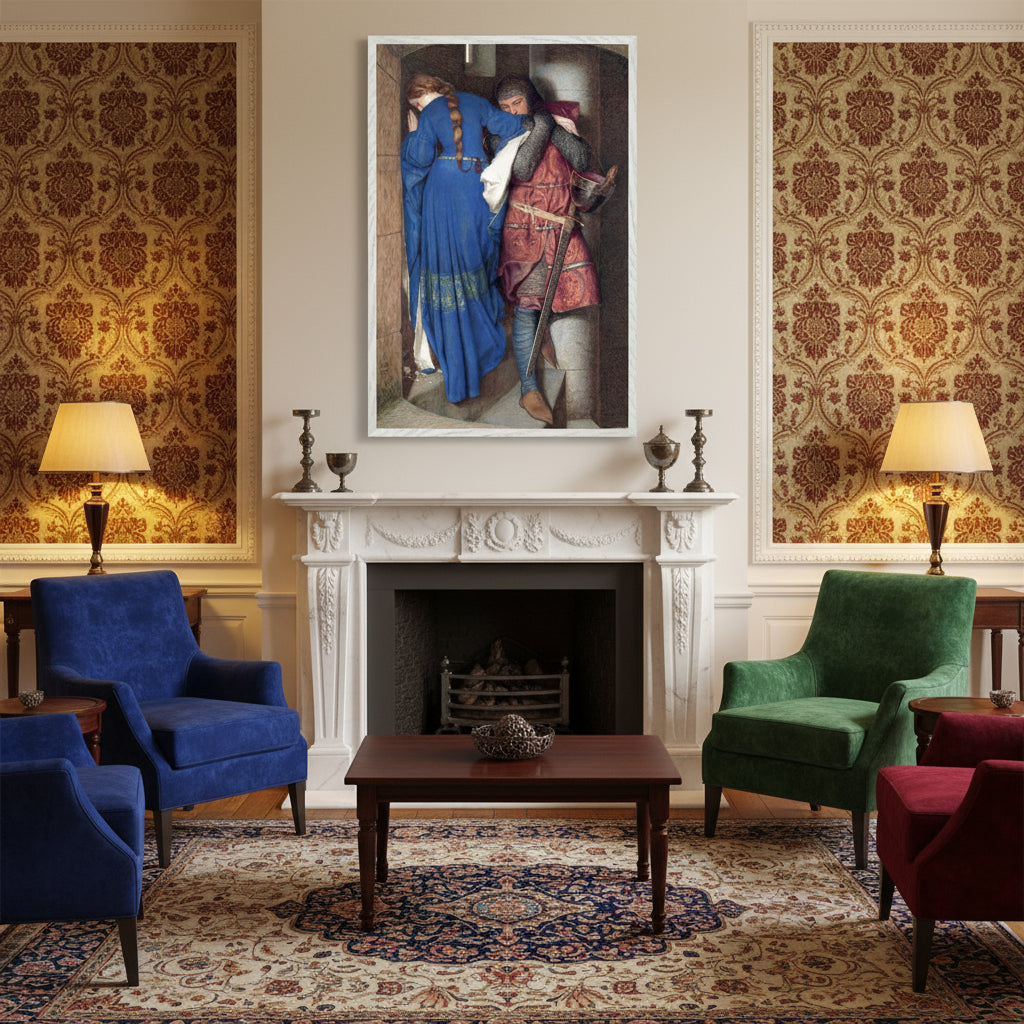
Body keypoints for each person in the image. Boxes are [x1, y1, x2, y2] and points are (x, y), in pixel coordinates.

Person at [400, 72, 527, 405]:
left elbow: (420, 157)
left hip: (442, 190)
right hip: (472, 187)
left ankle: (455, 357)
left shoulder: (428, 114)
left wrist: (414, 135)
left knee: (446, 265)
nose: (418, 106)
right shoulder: (476, 102)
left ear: (427, 94)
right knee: (474, 259)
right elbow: (515, 128)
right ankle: (479, 336)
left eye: (417, 101)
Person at [491, 74, 601, 425]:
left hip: (560, 226)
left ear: (531, 99)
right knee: (527, 307)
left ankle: (541, 343)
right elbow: (522, 167)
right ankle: (528, 388)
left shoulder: (556, 121)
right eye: (504, 107)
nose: (511, 112)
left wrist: (548, 123)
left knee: (566, 299)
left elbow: (581, 158)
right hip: (525, 230)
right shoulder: (499, 133)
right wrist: (538, 126)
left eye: (517, 104)